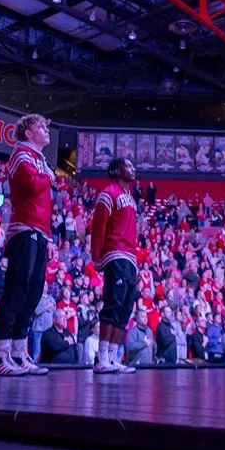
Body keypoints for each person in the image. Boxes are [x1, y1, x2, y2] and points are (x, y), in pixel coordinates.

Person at [0, 114, 53, 376]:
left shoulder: (39, 159)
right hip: (23, 229)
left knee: (32, 294)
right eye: (40, 126)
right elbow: (29, 185)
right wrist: (47, 176)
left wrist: (49, 236)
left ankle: (18, 352)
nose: (45, 129)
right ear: (27, 132)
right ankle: (0, 355)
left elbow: (44, 204)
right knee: (16, 291)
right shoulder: (20, 153)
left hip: (39, 231)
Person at [88, 157, 141, 375]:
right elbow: (98, 227)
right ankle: (102, 359)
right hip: (115, 254)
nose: (133, 168)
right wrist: (97, 257)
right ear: (116, 170)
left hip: (130, 257)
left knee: (125, 308)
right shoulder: (108, 194)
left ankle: (113, 357)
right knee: (113, 304)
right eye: (127, 165)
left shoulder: (130, 197)